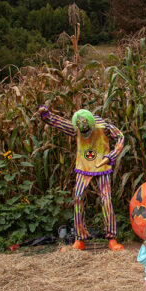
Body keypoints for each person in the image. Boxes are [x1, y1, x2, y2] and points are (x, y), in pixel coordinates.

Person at [37, 105, 125, 251]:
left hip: (101, 167)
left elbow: (120, 137)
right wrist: (46, 115)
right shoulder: (76, 126)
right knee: (78, 198)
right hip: (83, 167)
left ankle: (112, 238)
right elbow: (59, 122)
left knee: (106, 200)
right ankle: (79, 239)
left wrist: (111, 156)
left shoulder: (103, 126)